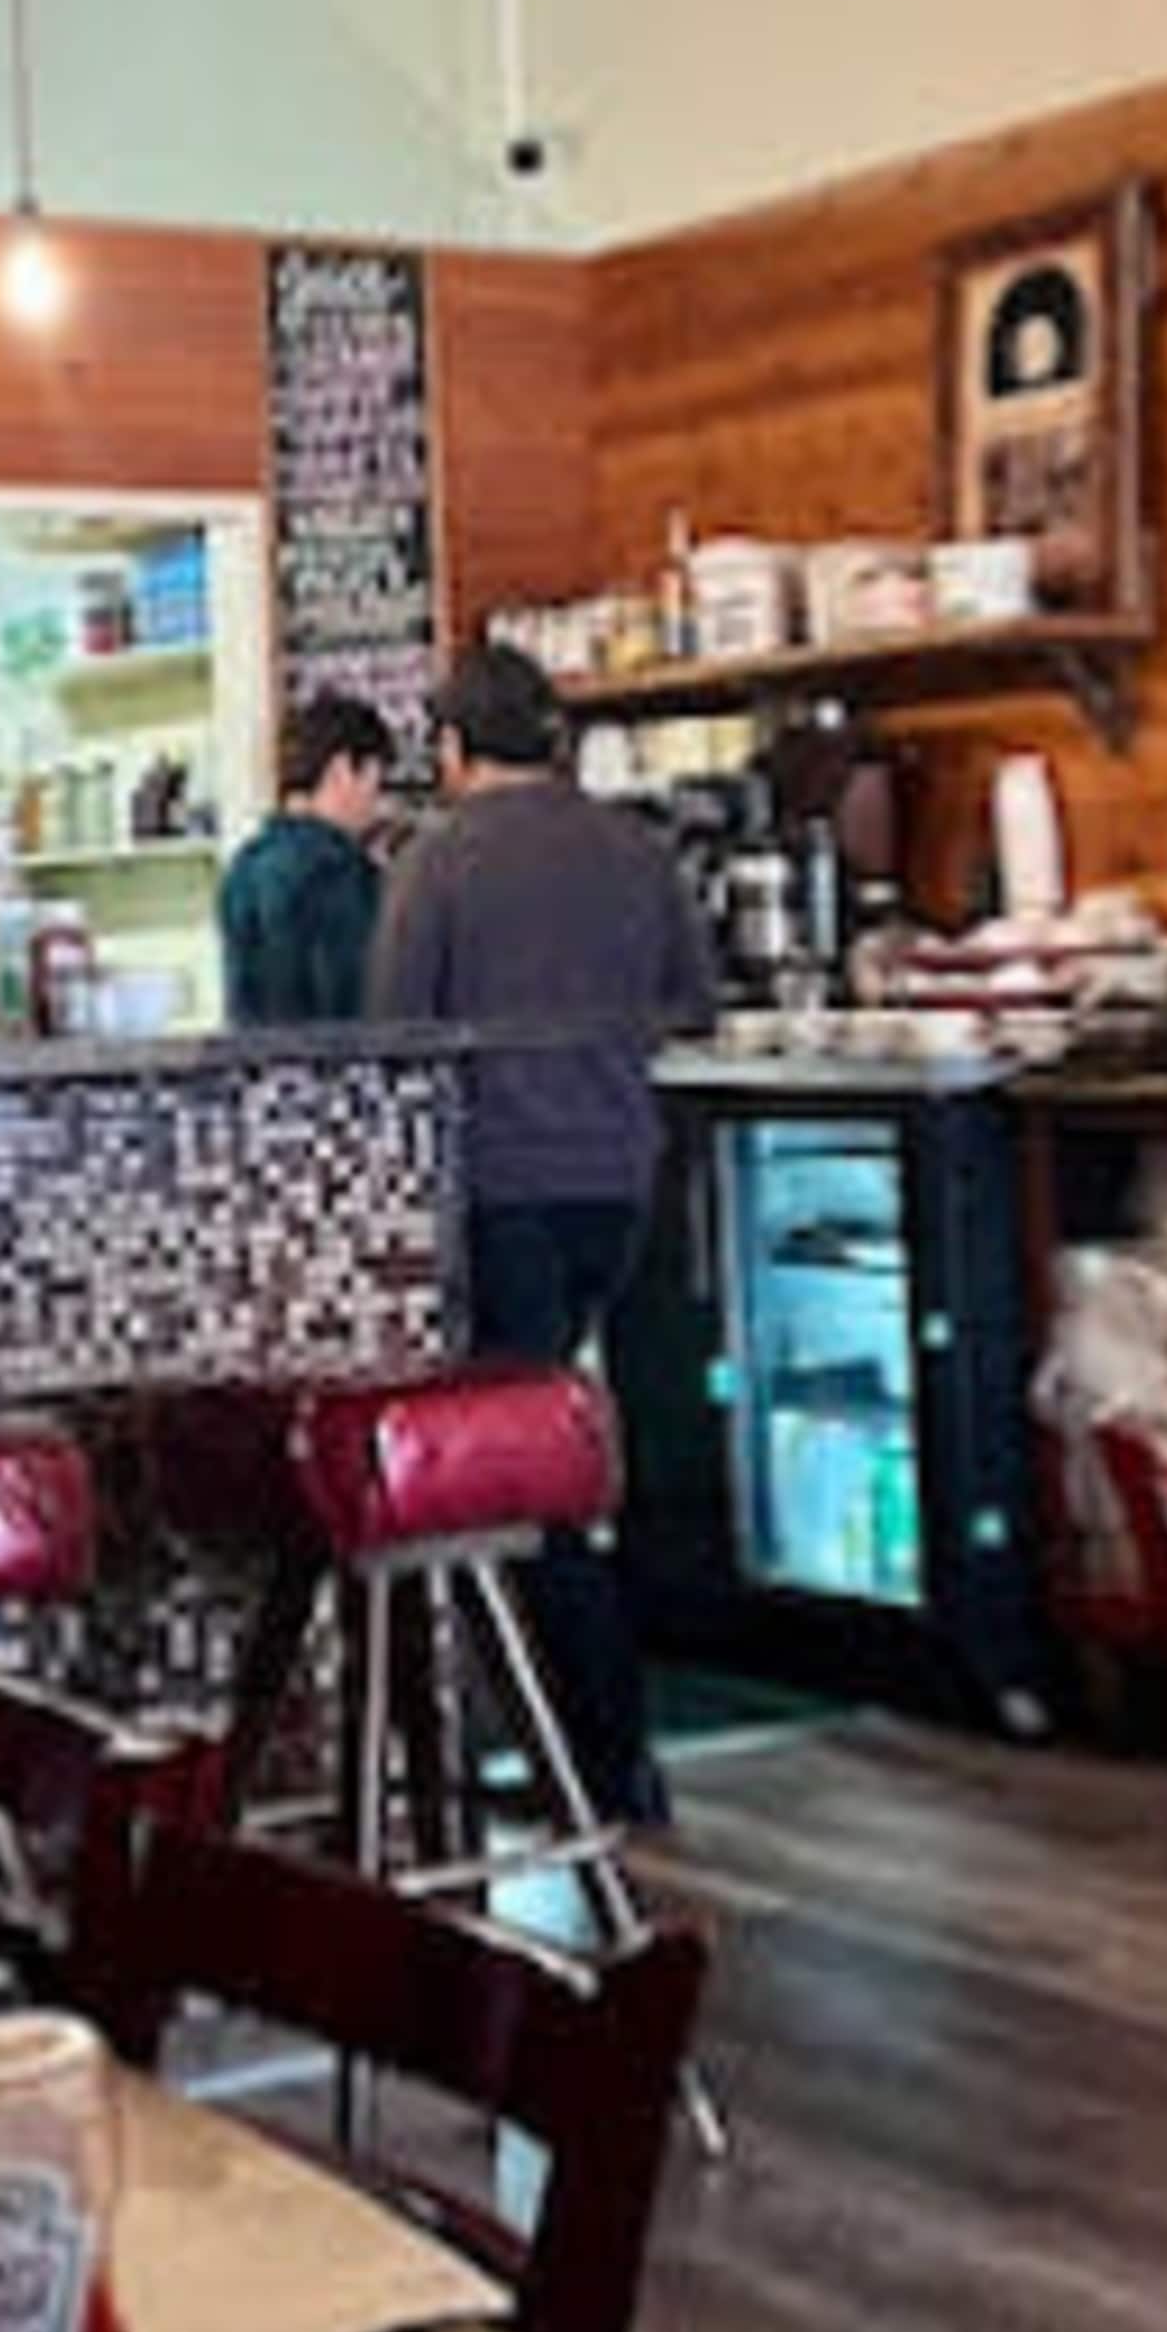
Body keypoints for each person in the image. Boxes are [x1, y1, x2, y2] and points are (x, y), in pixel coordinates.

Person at [368, 638, 717, 1825]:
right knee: (565, 1451)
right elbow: (696, 1002)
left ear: (454, 750)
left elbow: (392, 1032)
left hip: (500, 1183)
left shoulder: (438, 858)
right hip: (621, 1184)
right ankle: (589, 1749)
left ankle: (596, 1763)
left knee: (526, 1482)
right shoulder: (636, 846)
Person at [219, 692, 393, 1024]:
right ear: (342, 770)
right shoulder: (344, 873)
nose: (377, 804)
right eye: (375, 781)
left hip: (258, 1071)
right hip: (335, 1071)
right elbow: (360, 1003)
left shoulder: (243, 868)